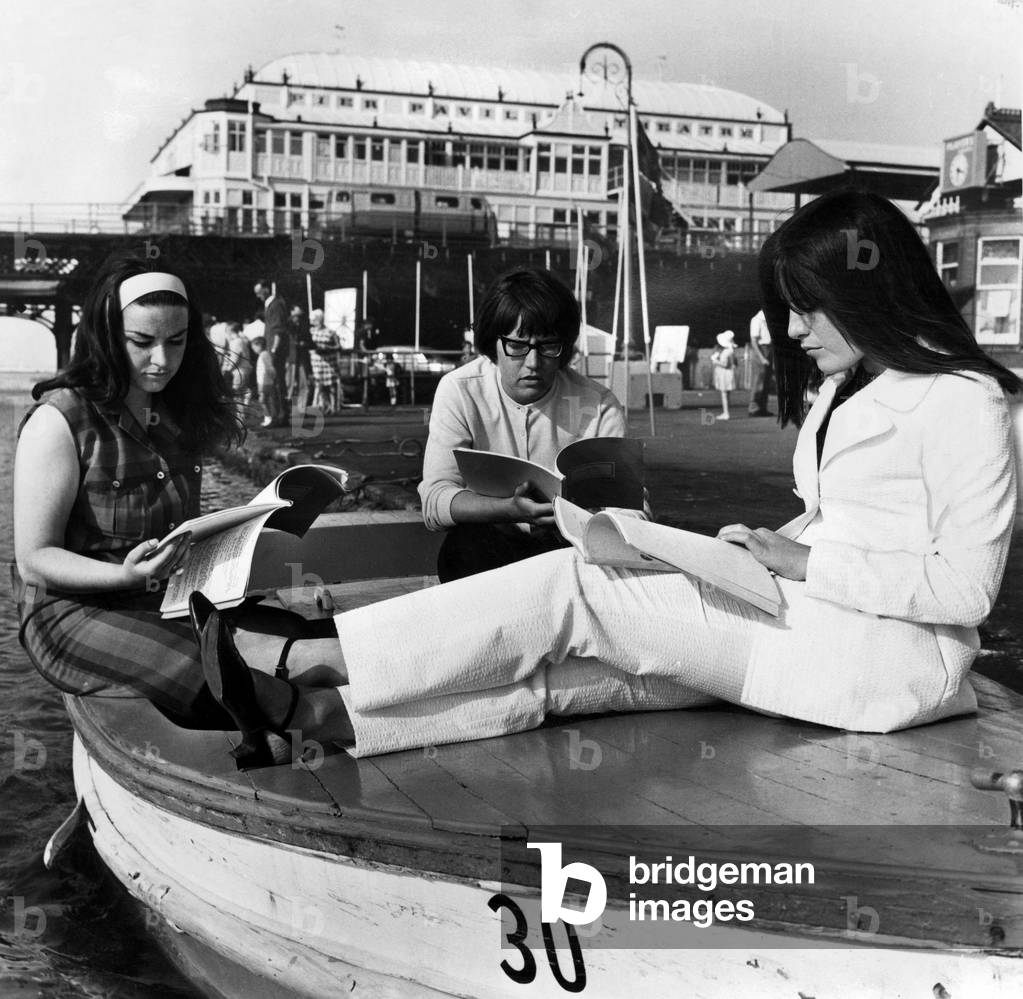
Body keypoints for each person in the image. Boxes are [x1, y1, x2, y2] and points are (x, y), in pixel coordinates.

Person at [192, 189, 1021, 764]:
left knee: (570, 588)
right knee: (573, 677)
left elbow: (965, 592)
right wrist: (754, 545)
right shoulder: (851, 382)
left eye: (808, 307)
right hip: (804, 616)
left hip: (883, 661)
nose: (792, 330)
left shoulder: (964, 400)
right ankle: (313, 722)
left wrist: (804, 561)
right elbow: (841, 515)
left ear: (868, 289)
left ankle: (310, 656)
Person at [12, 258, 246, 728]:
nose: (161, 360)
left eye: (176, 342)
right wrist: (123, 576)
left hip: (163, 596)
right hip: (72, 611)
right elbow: (34, 559)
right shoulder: (59, 422)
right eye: (141, 342)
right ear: (106, 338)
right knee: (236, 672)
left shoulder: (179, 414)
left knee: (287, 641)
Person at [418, 267, 627, 582]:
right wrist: (509, 509)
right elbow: (435, 500)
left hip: (571, 548)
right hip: (491, 546)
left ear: (565, 347)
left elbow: (630, 507)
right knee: (464, 547)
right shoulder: (460, 389)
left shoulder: (599, 403)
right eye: (517, 345)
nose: (533, 362)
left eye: (548, 346)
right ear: (493, 343)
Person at [254, 279, 289, 425]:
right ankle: (277, 415)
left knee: (277, 382)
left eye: (259, 292)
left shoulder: (276, 304)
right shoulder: (271, 304)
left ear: (266, 289)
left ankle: (280, 415)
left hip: (274, 350)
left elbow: (278, 330)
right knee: (274, 382)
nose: (257, 295)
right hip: (271, 349)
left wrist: (274, 350)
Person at [309, 309, 343, 414]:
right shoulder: (311, 332)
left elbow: (338, 346)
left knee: (332, 385)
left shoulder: (330, 332)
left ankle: (334, 407)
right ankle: (320, 405)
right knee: (319, 385)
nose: (313, 322)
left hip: (329, 362)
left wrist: (327, 348)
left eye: (314, 320)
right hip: (316, 362)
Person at [747, 309, 774, 416]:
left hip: (768, 348)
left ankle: (762, 408)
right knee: (758, 381)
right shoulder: (756, 320)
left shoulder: (767, 320)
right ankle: (753, 408)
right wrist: (762, 358)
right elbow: (753, 342)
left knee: (766, 381)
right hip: (760, 350)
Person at [287, 305, 314, 410]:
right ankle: (289, 406)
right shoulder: (287, 325)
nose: (298, 316)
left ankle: (300, 408)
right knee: (289, 384)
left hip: (302, 358)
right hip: (290, 359)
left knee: (303, 384)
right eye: (296, 314)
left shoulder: (304, 325)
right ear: (292, 312)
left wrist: (305, 343)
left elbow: (310, 342)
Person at [251, 336, 280, 428]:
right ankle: (269, 417)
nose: (253, 350)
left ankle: (269, 418)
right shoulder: (264, 355)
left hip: (265, 382)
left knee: (263, 400)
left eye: (254, 347)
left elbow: (269, 368)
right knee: (266, 400)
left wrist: (272, 377)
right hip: (264, 382)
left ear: (258, 345)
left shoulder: (264, 355)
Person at [710, 329, 737, 420]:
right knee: (726, 394)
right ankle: (726, 412)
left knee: (724, 394)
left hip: (724, 374)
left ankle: (726, 413)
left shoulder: (726, 352)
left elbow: (725, 364)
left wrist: (715, 361)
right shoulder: (731, 350)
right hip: (728, 374)